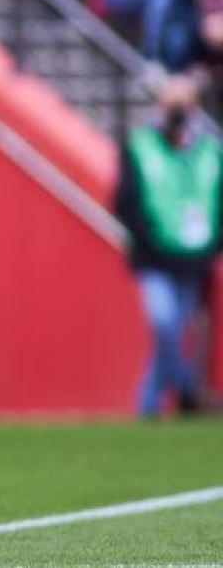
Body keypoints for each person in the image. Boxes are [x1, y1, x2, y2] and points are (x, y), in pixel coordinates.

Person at [114, 76, 222, 416]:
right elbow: (125, 200)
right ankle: (186, 387)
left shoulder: (209, 150)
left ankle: (148, 404)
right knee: (164, 323)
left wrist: (211, 244)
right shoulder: (141, 146)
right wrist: (148, 240)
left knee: (174, 329)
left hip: (192, 258)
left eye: (184, 103)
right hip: (153, 256)